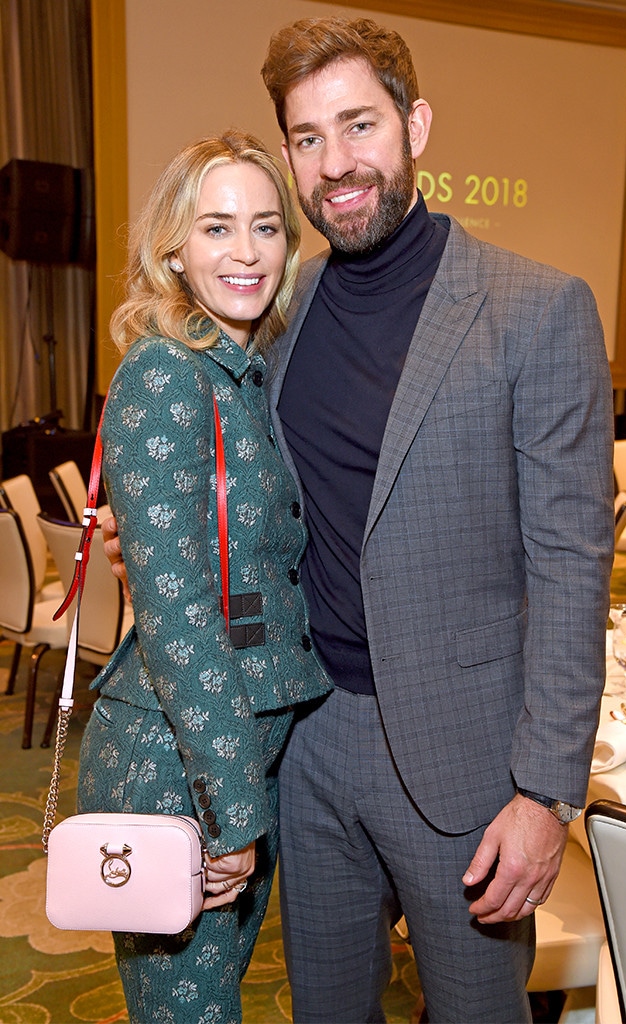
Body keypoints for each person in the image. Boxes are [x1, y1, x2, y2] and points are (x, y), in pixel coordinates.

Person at [105, 16, 614, 1023]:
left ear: (413, 124)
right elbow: (235, 484)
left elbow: (571, 568)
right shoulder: (279, 307)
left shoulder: (536, 307)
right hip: (305, 740)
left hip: (468, 762)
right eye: (306, 137)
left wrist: (547, 793)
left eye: (359, 125)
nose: (335, 163)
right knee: (325, 1006)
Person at [77, 129, 331, 1024]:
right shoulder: (163, 373)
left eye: (266, 227)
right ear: (173, 249)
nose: (247, 252)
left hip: (229, 756)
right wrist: (231, 807)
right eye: (218, 228)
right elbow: (180, 613)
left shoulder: (237, 372)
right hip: (179, 767)